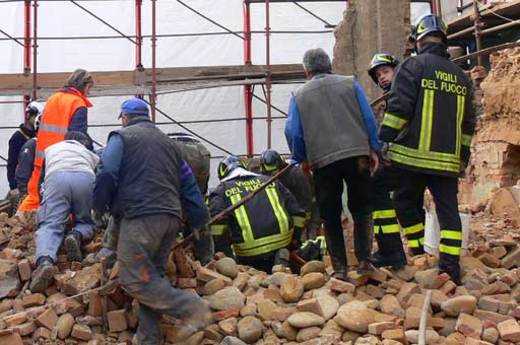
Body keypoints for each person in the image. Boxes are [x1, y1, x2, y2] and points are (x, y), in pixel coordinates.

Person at [93, 98, 212, 344]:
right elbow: (191, 190)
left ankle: (189, 307)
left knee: (133, 277)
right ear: (147, 116)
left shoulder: (122, 137)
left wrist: (98, 206)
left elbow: (106, 172)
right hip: (170, 219)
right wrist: (200, 225)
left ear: (124, 118)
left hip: (141, 218)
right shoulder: (171, 145)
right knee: (152, 276)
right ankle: (149, 337)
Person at [379, 14, 476, 283]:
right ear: (443, 41)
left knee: (401, 202)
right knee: (448, 214)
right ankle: (450, 269)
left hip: (411, 159)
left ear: (419, 41)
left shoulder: (412, 66)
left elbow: (399, 109)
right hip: (446, 163)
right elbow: (468, 125)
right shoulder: (462, 77)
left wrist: (383, 139)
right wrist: (462, 158)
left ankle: (417, 249)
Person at [284, 48, 380, 280]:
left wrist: (302, 158)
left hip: (322, 161)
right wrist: (374, 148)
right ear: (329, 66)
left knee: (330, 214)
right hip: (357, 155)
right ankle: (365, 261)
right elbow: (368, 117)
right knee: (362, 209)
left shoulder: (299, 95)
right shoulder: (350, 83)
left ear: (306, 70)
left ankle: (340, 269)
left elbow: (293, 132)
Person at [209, 156, 306, 273]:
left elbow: (216, 228)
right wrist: (294, 242)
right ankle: (281, 261)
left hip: (248, 252)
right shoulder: (270, 181)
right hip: (283, 243)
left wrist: (227, 257)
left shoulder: (221, 190)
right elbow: (298, 214)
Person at [29, 131, 99, 292]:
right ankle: (76, 235)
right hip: (85, 176)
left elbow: (41, 181)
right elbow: (100, 178)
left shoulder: (52, 149)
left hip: (57, 177)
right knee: (86, 221)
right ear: (83, 143)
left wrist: (45, 208)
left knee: (50, 225)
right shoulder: (88, 153)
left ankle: (45, 261)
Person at [18, 69, 94, 215]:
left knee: (36, 197)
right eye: (89, 88)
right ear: (84, 86)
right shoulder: (77, 103)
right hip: (62, 160)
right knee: (64, 201)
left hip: (43, 157)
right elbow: (77, 137)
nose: (88, 92)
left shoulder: (53, 98)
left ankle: (20, 219)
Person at [367, 53, 408, 270]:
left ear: (395, 70)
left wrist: (380, 149)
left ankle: (390, 251)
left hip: (404, 158)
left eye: (385, 71)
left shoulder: (398, 95)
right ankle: (418, 250)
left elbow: (391, 131)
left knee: (375, 187)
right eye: (378, 75)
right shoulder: (395, 94)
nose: (382, 77)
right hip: (411, 159)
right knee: (407, 204)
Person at [260, 149, 321, 241]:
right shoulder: (264, 177)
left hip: (310, 208)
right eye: (269, 172)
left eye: (274, 171)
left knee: (308, 239)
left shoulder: (295, 175)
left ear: (280, 165)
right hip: (291, 211)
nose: (272, 174)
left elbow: (306, 199)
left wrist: (305, 219)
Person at [5, 102, 43, 212]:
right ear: (28, 116)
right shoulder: (18, 137)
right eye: (36, 116)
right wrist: (13, 186)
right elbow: (11, 163)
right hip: (22, 184)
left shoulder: (38, 138)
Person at [15, 114, 42, 196]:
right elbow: (23, 173)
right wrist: (25, 194)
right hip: (33, 194)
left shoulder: (48, 145)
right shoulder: (31, 146)